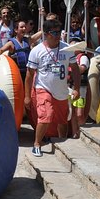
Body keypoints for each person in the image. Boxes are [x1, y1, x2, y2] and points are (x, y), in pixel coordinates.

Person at [25, 18, 80, 156]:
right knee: (46, 116)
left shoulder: (67, 48)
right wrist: (27, 96)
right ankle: (37, 143)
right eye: (54, 33)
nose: (58, 35)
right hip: (43, 88)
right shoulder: (37, 51)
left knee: (62, 120)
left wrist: (77, 88)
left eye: (59, 32)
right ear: (46, 34)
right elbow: (29, 75)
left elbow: (76, 69)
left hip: (61, 91)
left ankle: (61, 142)